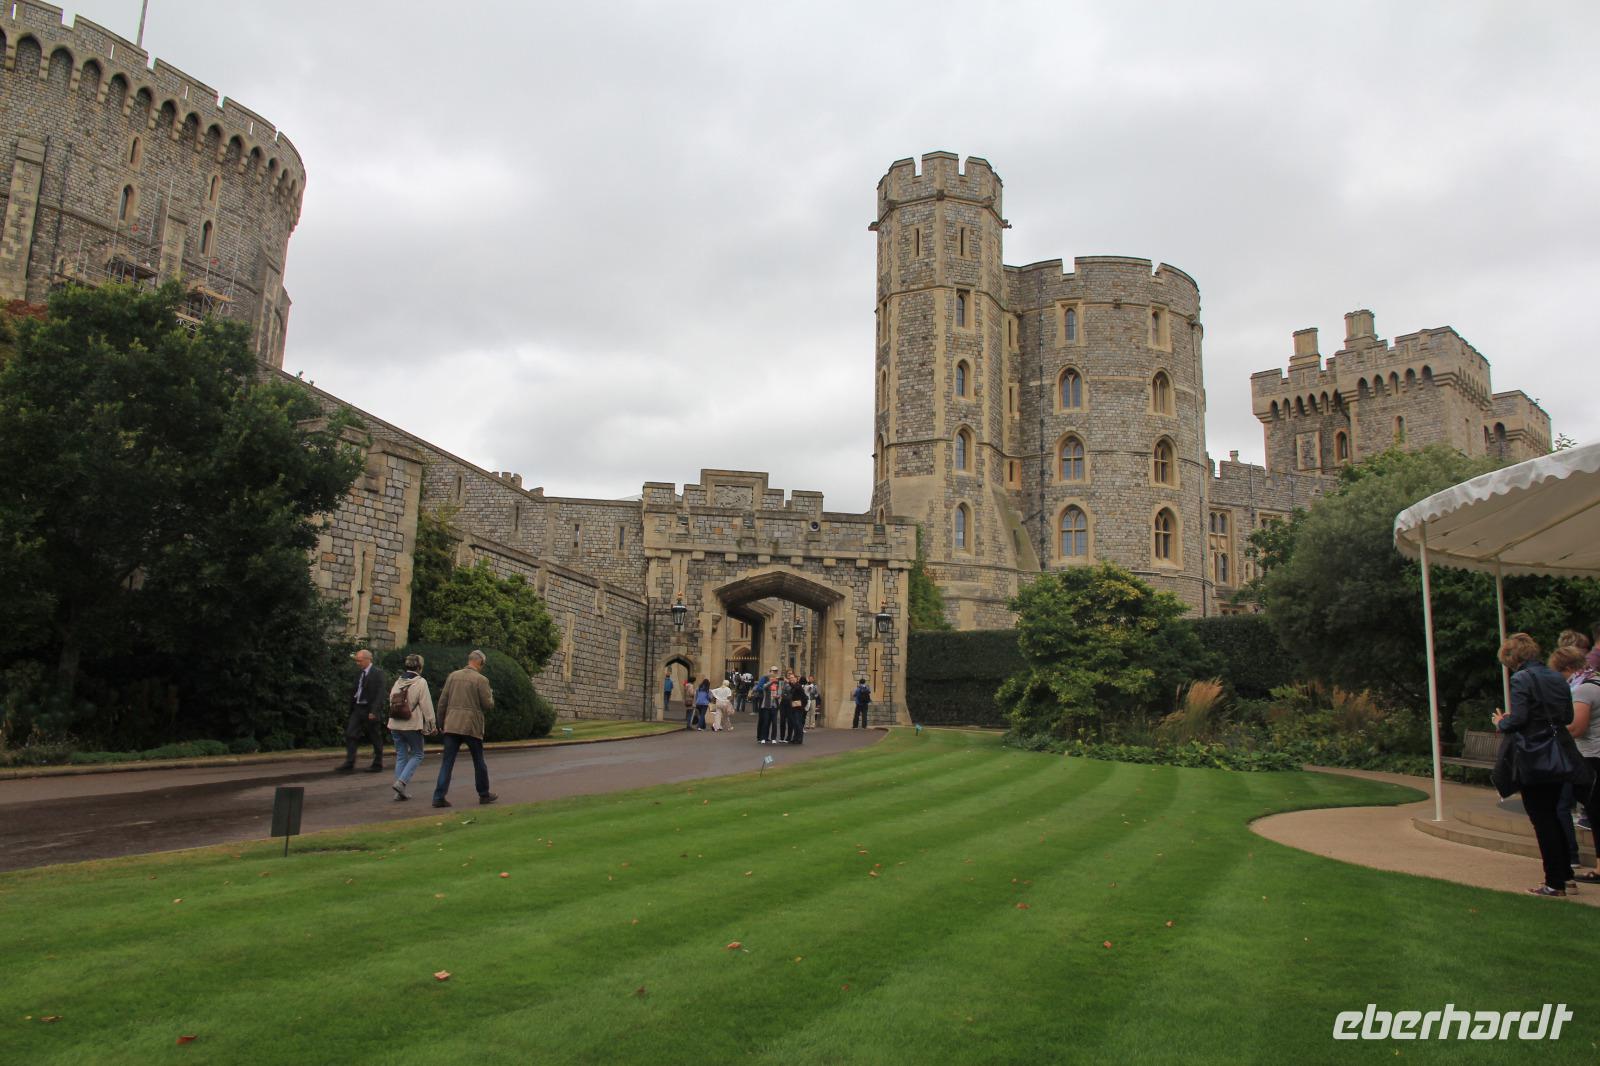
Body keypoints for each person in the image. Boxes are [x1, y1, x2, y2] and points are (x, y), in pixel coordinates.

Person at [1492, 634, 1577, 896]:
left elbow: (1518, 719)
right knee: (1554, 813)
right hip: (1559, 751)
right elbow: (1568, 716)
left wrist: (1501, 723)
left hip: (1534, 754)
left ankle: (1554, 881)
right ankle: (1566, 875)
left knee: (1542, 818)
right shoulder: (1556, 676)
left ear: (1512, 659)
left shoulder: (1521, 678)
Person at [432, 650, 498, 809]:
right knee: (478, 761)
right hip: (471, 725)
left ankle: (439, 796)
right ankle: (484, 794)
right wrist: (491, 695)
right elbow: (487, 704)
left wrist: (441, 722)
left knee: (447, 762)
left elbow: (443, 701)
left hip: (452, 724)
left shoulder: (453, 676)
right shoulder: (481, 680)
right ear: (480, 663)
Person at [1556, 648, 1600, 884]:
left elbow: (1577, 727)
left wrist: (1553, 733)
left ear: (1568, 669)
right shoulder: (1597, 681)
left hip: (1591, 757)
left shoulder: (1584, 689)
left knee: (1593, 811)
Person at [387, 653, 437, 801]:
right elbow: (427, 705)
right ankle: (401, 783)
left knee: (401, 755)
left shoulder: (398, 682)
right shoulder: (421, 682)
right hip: (411, 724)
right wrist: (431, 724)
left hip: (395, 723)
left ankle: (399, 791)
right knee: (418, 753)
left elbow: (391, 700)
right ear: (419, 667)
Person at [337, 649, 388, 773]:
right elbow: (355, 690)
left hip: (370, 709)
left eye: (359, 661)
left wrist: (374, 711)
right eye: (357, 661)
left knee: (374, 735)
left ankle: (377, 763)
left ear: (367, 659)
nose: (358, 663)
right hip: (358, 708)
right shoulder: (359, 674)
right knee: (351, 734)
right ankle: (349, 763)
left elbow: (380, 694)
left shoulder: (377, 673)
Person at [756, 668, 781, 744]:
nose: (773, 678)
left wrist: (778, 696)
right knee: (765, 722)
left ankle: (773, 738)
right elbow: (764, 687)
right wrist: (771, 682)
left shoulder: (777, 684)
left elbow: (780, 692)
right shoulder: (766, 683)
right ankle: (763, 737)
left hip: (774, 705)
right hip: (766, 705)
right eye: (771, 677)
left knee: (774, 723)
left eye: (774, 677)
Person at [783, 671, 806, 745]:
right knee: (795, 723)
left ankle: (799, 739)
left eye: (792, 678)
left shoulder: (798, 685)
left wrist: (788, 681)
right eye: (790, 678)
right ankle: (795, 738)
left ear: (796, 679)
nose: (791, 679)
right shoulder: (793, 686)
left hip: (798, 708)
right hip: (793, 707)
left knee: (798, 723)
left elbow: (796, 688)